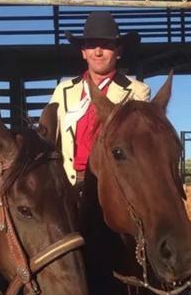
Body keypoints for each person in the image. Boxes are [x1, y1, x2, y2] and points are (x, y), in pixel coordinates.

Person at [48, 11, 151, 188]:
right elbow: (48, 139)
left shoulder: (137, 92)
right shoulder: (63, 91)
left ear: (118, 51)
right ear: (83, 52)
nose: (98, 52)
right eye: (91, 45)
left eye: (105, 45)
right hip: (70, 186)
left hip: (116, 186)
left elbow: (141, 148)